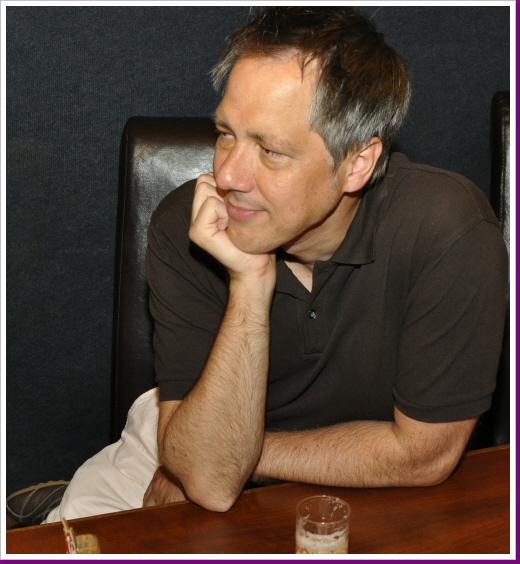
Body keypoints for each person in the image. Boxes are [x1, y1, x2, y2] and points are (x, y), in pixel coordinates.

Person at [7, 6, 507, 526]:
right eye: (226, 133)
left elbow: (423, 456)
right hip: (188, 425)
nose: (227, 175)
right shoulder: (184, 223)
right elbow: (209, 481)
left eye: (270, 150)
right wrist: (249, 279)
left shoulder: (449, 230)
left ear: (357, 163)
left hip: (369, 469)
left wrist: (234, 455)